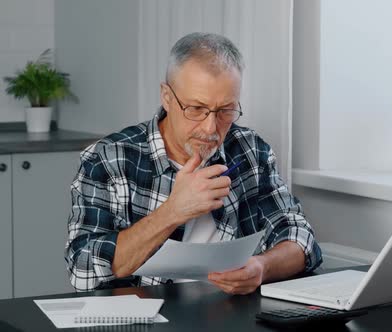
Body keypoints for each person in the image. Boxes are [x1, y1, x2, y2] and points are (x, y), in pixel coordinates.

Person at [65, 32, 322, 295]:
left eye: (225, 111)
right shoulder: (108, 159)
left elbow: (301, 238)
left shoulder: (250, 150)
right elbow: (83, 271)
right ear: (166, 97)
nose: (211, 128)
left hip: (231, 315)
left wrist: (262, 267)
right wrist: (173, 211)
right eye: (196, 109)